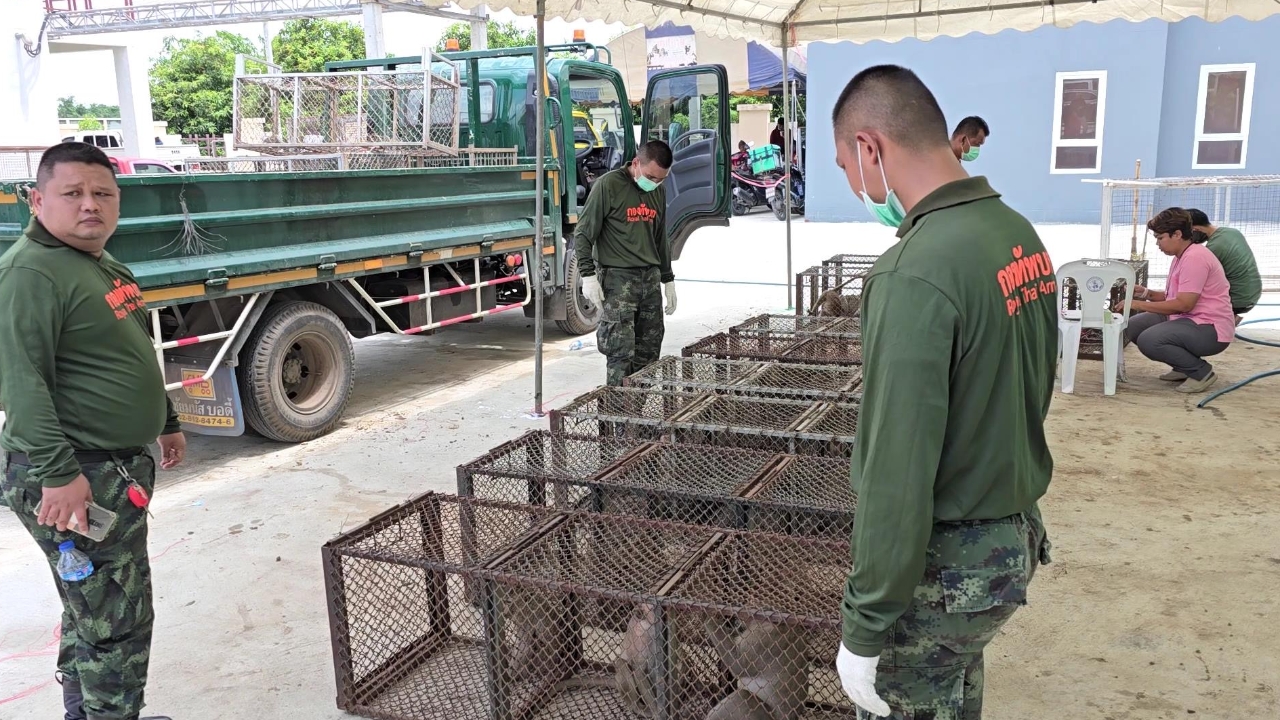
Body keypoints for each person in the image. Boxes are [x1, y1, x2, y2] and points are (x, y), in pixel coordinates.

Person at [829, 66, 1055, 719]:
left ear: (870, 149)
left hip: (946, 568)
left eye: (848, 166)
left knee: (905, 697)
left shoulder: (913, 272)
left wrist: (866, 623)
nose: (855, 185)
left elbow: (896, 470)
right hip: (1008, 544)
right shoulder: (1015, 233)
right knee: (953, 689)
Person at [0, 142, 185, 720]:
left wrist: (167, 420)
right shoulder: (29, 274)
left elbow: (130, 349)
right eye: (72, 193)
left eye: (102, 193)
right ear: (37, 200)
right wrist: (60, 476)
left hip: (111, 465)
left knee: (92, 609)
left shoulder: (100, 263)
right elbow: (21, 385)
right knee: (118, 621)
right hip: (75, 472)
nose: (90, 206)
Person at [575, 140, 677, 386]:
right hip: (618, 280)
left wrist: (668, 278)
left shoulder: (657, 191)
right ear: (636, 164)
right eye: (651, 177)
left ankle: (635, 417)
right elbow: (583, 234)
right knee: (620, 352)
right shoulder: (608, 185)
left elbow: (660, 237)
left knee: (650, 350)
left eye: (661, 179)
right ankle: (617, 419)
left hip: (649, 280)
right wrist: (588, 276)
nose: (654, 183)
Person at [1124, 208, 1234, 392]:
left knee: (1150, 340)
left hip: (1210, 327)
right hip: (1190, 318)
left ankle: (1201, 372)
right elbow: (1174, 297)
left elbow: (1184, 304)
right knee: (1133, 326)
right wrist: (1146, 293)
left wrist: (1137, 304)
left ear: (1177, 234)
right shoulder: (1182, 255)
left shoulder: (1195, 257)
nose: (1158, 244)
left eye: (1160, 238)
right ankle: (1183, 366)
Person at [1187, 207, 1262, 322]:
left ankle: (1226, 319)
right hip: (1253, 293)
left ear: (1195, 229)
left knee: (1189, 304)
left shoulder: (1214, 248)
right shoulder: (1232, 232)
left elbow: (1195, 284)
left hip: (1238, 300)